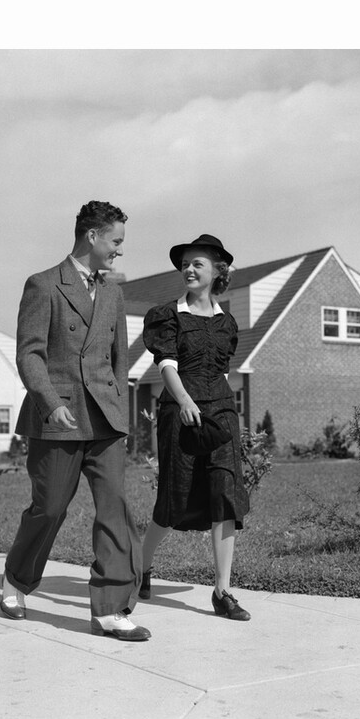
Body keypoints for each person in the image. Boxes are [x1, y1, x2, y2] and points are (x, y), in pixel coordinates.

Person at [0, 201, 150, 641]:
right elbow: (29, 352)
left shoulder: (114, 292)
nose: (120, 250)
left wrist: (119, 406)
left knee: (114, 509)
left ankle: (111, 608)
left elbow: (119, 359)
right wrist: (49, 400)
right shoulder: (43, 285)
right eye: (116, 241)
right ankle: (17, 579)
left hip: (104, 420)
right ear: (92, 236)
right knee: (49, 508)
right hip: (58, 418)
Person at [140, 233, 251, 620]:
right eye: (185, 263)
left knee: (225, 494)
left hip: (220, 413)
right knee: (176, 496)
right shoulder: (166, 315)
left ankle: (223, 591)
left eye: (197, 263)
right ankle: (142, 564)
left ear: (217, 271)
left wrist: (213, 404)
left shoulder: (227, 322)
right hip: (180, 412)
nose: (188, 269)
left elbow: (221, 370)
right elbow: (166, 365)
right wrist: (185, 400)